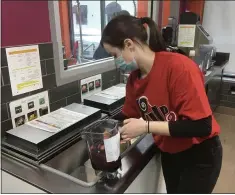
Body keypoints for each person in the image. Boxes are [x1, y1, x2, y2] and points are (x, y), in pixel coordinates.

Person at [100, 15, 222, 194]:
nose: (115, 62)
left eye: (114, 55)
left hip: (199, 156)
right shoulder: (134, 80)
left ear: (129, 44)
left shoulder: (179, 68)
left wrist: (146, 126)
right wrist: (106, 127)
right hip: (170, 155)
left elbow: (202, 126)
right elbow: (128, 115)